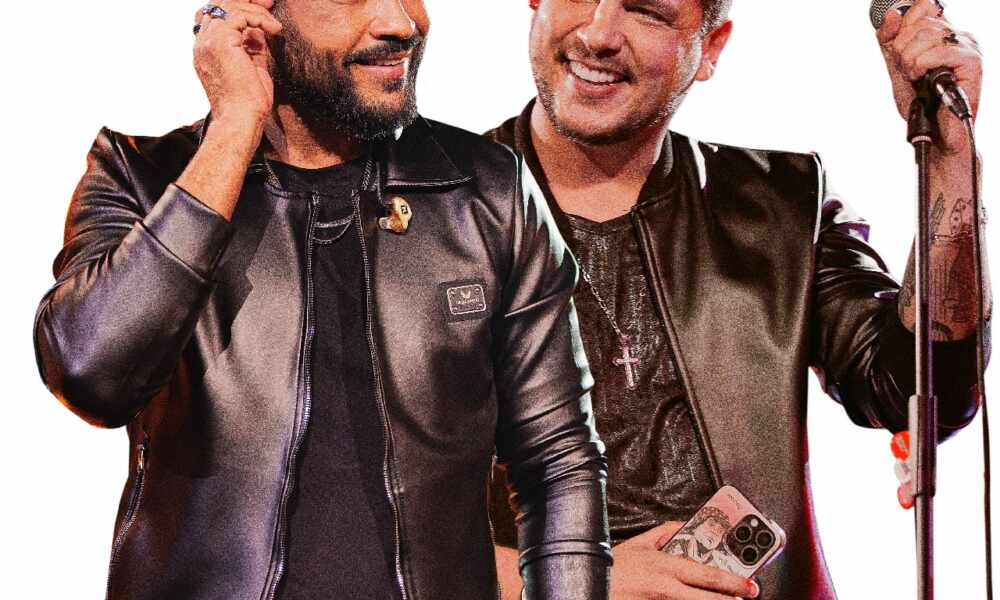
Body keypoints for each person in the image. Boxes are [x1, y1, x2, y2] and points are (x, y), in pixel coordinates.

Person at [32, 1, 613, 598]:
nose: (400, 22)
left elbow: (558, 463)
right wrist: (234, 128)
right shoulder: (139, 177)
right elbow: (92, 376)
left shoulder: (490, 192)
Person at [488, 0, 988, 598]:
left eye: (646, 11)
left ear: (711, 48)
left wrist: (952, 158)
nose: (599, 33)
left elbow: (918, 392)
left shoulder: (784, 206)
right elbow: (380, 530)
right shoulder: (419, 216)